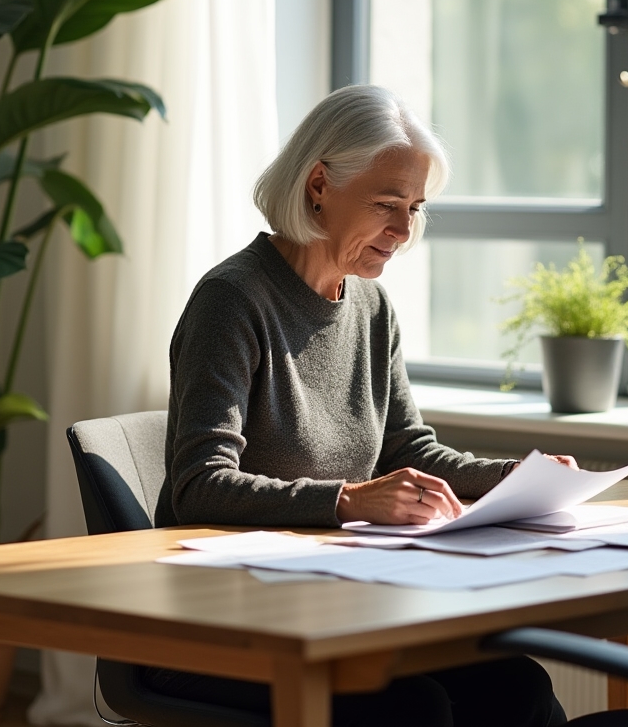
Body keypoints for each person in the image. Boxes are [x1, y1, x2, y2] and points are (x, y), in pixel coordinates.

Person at [151, 84, 571, 727]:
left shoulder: (372, 309)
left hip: (339, 603)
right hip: (229, 617)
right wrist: (348, 499)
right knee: (414, 710)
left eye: (415, 208)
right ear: (319, 183)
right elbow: (198, 487)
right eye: (387, 205)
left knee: (517, 689)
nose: (404, 231)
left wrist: (514, 478)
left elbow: (410, 451)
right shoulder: (233, 301)